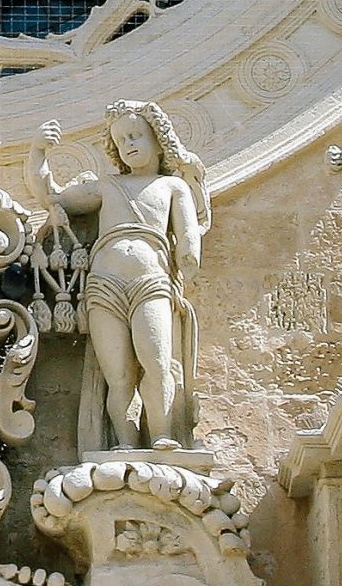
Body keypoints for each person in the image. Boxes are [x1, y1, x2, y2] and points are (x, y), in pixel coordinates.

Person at [29, 101, 209, 452]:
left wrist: (189, 255)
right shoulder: (104, 187)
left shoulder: (172, 187)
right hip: (104, 286)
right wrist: (37, 152)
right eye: (122, 138)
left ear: (158, 140)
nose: (129, 143)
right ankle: (124, 444)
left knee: (156, 365)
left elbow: (188, 230)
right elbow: (52, 199)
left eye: (136, 135)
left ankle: (161, 437)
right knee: (119, 377)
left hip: (152, 282)